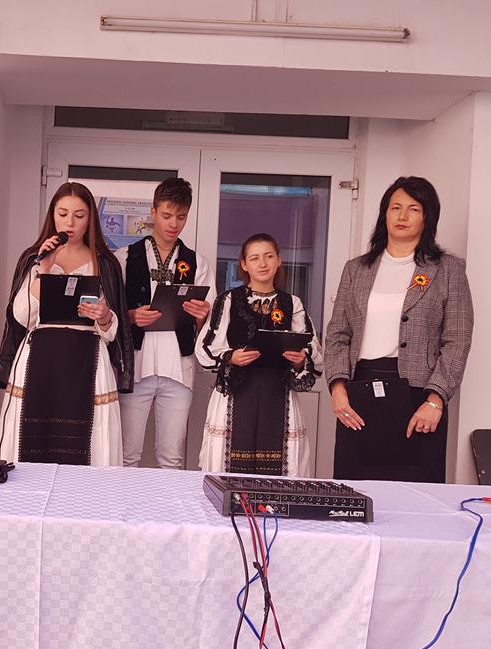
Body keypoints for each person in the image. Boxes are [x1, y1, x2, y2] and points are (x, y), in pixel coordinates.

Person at [325, 176, 474, 483]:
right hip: (359, 393)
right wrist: (338, 389)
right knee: (355, 492)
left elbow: (457, 340)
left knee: (416, 495)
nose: (402, 216)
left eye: (413, 209)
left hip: (420, 397)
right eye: (395, 207)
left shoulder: (447, 269)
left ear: (427, 217)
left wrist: (436, 400)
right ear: (385, 213)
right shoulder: (356, 269)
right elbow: (338, 334)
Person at [0, 181, 133, 465]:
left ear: (90, 219)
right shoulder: (33, 258)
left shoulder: (105, 262)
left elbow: (113, 331)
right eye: (63, 214)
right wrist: (43, 270)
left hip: (88, 359)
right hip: (39, 358)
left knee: (88, 444)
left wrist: (104, 316)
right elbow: (21, 317)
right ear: (52, 216)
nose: (70, 223)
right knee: (33, 441)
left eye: (79, 215)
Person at [196, 234, 321, 475]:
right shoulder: (228, 300)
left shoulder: (292, 303)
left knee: (280, 467)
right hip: (236, 392)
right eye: (254, 258)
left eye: (268, 256)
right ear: (244, 264)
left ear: (279, 260)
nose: (262, 263)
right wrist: (231, 357)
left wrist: (300, 360)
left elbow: (311, 348)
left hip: (278, 392)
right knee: (229, 465)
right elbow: (205, 348)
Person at [115, 177, 215, 469]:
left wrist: (203, 316)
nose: (174, 224)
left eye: (181, 217)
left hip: (179, 369)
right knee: (127, 455)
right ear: (153, 212)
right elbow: (108, 313)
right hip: (135, 367)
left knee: (171, 458)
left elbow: (212, 325)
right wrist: (131, 316)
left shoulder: (198, 263)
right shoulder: (124, 258)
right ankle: (119, 502)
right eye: (167, 215)